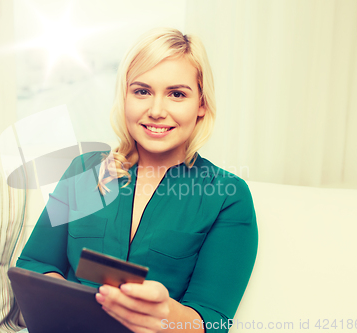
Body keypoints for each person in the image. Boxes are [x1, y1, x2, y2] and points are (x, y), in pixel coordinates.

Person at [16, 27, 258, 333]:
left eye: (177, 94)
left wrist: (165, 313)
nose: (156, 111)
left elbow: (213, 318)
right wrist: (67, 305)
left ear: (201, 104)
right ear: (125, 97)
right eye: (142, 91)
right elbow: (35, 264)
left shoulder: (226, 196)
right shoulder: (85, 171)